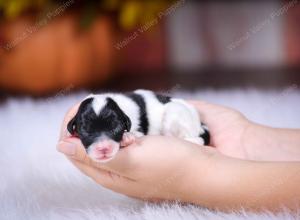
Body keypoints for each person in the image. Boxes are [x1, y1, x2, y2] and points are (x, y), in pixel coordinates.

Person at [57, 100, 300, 212]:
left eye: (111, 130)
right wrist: (247, 136)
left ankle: (194, 136)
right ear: (76, 129)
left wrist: (199, 174)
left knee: (176, 118)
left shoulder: (133, 115)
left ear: (124, 123)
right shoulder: (115, 112)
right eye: (89, 131)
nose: (101, 146)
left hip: (178, 117)